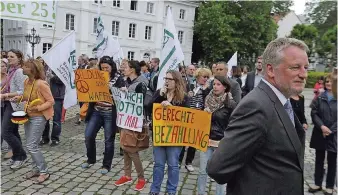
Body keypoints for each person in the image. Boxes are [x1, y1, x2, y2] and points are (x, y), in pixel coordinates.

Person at [207, 38, 309, 195]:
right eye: (295, 67)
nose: (304, 74)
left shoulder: (281, 101)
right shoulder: (256, 106)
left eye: (306, 68)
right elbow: (218, 167)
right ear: (270, 70)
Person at [12, 59, 54, 183]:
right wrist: (18, 98)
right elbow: (27, 96)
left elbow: (51, 101)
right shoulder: (27, 81)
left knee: (31, 145)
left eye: (25, 66)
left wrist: (39, 108)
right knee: (31, 144)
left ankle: (44, 171)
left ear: (32, 69)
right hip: (28, 115)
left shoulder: (41, 83)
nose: (23, 68)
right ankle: (36, 169)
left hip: (39, 117)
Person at [149, 70, 190, 195]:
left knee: (173, 165)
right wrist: (159, 96)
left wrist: (172, 108)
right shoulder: (159, 93)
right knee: (159, 165)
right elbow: (148, 106)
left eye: (169, 79)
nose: (166, 81)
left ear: (176, 81)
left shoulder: (184, 97)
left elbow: (187, 116)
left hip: (175, 136)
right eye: (165, 78)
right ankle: (154, 190)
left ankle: (171, 191)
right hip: (160, 134)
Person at [197, 75, 237, 195]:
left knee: (220, 173)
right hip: (206, 139)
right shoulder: (207, 98)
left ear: (225, 87)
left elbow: (233, 123)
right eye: (214, 84)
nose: (215, 86)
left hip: (221, 142)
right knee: (203, 171)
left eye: (218, 84)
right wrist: (203, 114)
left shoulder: (230, 103)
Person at [81, 56, 119, 174]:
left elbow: (122, 95)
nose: (105, 70)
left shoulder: (118, 78)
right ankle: (91, 159)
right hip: (97, 110)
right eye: (102, 68)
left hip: (110, 113)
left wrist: (112, 89)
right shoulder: (96, 75)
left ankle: (106, 165)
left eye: (107, 68)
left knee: (108, 139)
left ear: (112, 67)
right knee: (88, 135)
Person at [114, 60, 148, 191]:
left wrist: (128, 92)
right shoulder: (127, 81)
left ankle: (141, 178)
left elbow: (141, 101)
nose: (123, 69)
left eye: (126, 67)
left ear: (133, 69)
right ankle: (127, 175)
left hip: (135, 121)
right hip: (125, 119)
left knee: (132, 150)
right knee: (125, 147)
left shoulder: (141, 83)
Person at [309, 73, 337, 195]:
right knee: (319, 159)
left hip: (334, 135)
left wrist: (331, 130)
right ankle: (317, 183)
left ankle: (330, 186)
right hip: (320, 133)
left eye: (331, 82)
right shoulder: (320, 97)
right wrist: (322, 126)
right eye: (327, 82)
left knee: (332, 160)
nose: (328, 84)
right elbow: (314, 113)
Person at [179, 68, 211, 172]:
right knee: (183, 141)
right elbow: (182, 98)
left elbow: (208, 101)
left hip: (198, 117)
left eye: (207, 77)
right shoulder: (190, 85)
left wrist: (206, 90)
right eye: (204, 77)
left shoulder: (207, 88)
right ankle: (179, 161)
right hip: (187, 116)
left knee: (193, 141)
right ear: (198, 77)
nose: (205, 79)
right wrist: (187, 96)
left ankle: (189, 162)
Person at [0, 49, 28, 169]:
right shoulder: (11, 70)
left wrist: (6, 95)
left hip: (15, 105)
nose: (9, 58)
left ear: (19, 58)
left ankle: (22, 156)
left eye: (12, 57)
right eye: (8, 56)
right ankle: (16, 157)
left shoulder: (19, 71)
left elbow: (22, 91)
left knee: (5, 132)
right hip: (8, 104)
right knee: (13, 132)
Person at [39, 70, 65, 146]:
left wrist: (52, 76)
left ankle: (55, 138)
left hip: (56, 97)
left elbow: (62, 81)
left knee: (56, 119)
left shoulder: (60, 68)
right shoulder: (46, 67)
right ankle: (45, 138)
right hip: (45, 96)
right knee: (45, 119)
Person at [1, 58, 12, 158]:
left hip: (5, 104)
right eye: (1, 66)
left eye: (5, 66)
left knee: (5, 127)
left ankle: (9, 148)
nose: (4, 68)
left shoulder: (8, 77)